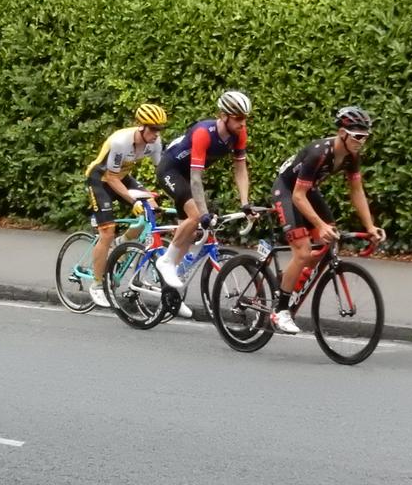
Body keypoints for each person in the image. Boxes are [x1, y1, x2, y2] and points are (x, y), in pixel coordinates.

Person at [268, 106, 386, 334]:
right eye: (357, 136)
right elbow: (297, 196)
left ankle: (287, 283)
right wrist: (319, 225)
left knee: (328, 242)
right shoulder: (319, 152)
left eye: (366, 137)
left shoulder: (352, 156)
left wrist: (370, 226)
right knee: (303, 252)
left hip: (307, 191)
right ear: (342, 133)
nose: (361, 142)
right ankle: (280, 309)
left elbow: (357, 190)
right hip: (287, 191)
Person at [154, 91, 255, 312]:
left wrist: (245, 203)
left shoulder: (239, 134)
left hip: (187, 176)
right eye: (238, 118)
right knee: (195, 217)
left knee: (190, 233)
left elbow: (240, 168)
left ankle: (170, 293)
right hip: (171, 170)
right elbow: (195, 179)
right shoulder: (203, 133)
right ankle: (165, 261)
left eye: (245, 118)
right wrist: (203, 213)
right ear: (223, 116)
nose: (242, 123)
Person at [84, 104, 167, 308]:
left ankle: (123, 243)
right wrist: (134, 201)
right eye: (153, 129)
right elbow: (111, 178)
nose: (156, 134)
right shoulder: (121, 142)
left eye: (159, 129)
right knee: (107, 232)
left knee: (152, 210)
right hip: (100, 180)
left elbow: (163, 171)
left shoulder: (154, 143)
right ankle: (97, 284)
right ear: (141, 127)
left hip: (122, 177)